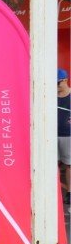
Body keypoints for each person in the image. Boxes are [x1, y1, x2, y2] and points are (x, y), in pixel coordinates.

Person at [58, 69, 71, 203]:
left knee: (68, 165)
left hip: (68, 135)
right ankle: (54, 190)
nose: (56, 86)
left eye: (57, 83)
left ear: (65, 80)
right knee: (53, 164)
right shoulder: (50, 95)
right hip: (51, 135)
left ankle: (69, 192)